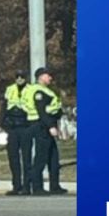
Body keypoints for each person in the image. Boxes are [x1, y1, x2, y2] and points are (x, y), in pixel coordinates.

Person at [23, 67, 68, 195]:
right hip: (41, 126)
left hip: (46, 125)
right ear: (41, 77)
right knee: (41, 157)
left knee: (53, 158)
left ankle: (55, 186)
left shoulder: (46, 91)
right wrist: (50, 127)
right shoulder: (38, 92)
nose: (50, 78)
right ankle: (37, 187)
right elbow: (41, 112)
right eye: (48, 75)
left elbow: (52, 109)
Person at [0, 69, 32, 195]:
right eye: (17, 76)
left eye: (22, 76)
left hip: (25, 126)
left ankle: (27, 186)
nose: (19, 79)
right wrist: (1, 124)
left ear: (25, 78)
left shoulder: (30, 89)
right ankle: (16, 185)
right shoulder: (10, 89)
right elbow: (4, 107)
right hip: (12, 127)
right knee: (13, 158)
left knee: (26, 158)